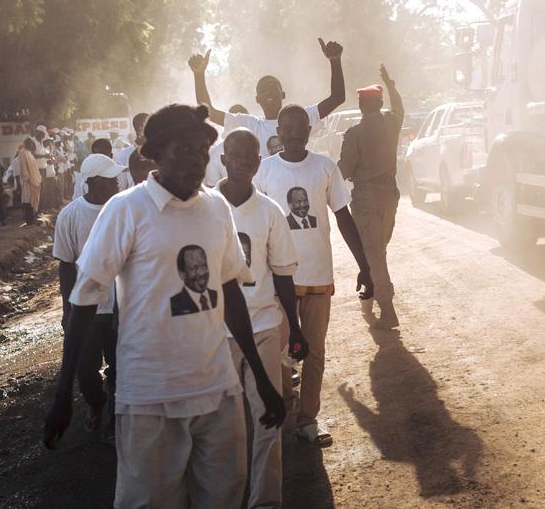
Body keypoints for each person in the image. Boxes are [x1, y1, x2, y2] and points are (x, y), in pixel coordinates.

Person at [44, 104, 286, 508]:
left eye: (202, 152)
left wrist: (262, 380)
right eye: (184, 151)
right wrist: (63, 391)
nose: (195, 161)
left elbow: (229, 295)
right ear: (156, 153)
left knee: (224, 499)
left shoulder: (215, 208)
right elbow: (83, 304)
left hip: (218, 394)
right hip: (149, 400)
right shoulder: (125, 211)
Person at [253, 104, 374, 448]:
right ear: (278, 131)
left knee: (315, 352)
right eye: (286, 129)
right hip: (279, 280)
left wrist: (364, 266)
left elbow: (343, 217)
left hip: (318, 275)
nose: (293, 135)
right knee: (279, 353)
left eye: (300, 128)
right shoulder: (264, 172)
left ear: (310, 130)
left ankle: (307, 420)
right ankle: (282, 414)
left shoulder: (325, 167)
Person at [216, 128, 310, 507]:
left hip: (264, 329)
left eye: (248, 155)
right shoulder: (203, 207)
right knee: (224, 427)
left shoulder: (270, 212)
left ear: (258, 162)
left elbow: (284, 274)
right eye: (233, 154)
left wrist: (295, 327)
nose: (240, 161)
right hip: (216, 333)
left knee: (267, 421)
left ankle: (265, 502)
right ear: (223, 159)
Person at [52, 153, 126, 441]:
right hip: (87, 311)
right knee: (85, 372)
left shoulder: (123, 211)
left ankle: (114, 426)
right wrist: (67, 312)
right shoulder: (70, 215)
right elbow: (66, 266)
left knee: (121, 370)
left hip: (121, 308)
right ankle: (97, 403)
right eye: (111, 179)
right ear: (93, 182)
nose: (118, 183)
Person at [189, 37, 347, 157]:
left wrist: (335, 61)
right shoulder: (250, 124)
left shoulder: (300, 117)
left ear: (283, 94)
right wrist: (199, 75)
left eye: (273, 88)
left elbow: (337, 98)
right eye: (264, 90)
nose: (269, 92)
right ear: (257, 99)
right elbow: (209, 112)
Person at [338, 66, 405, 328]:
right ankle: (372, 284)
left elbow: (345, 168)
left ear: (361, 105)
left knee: (373, 251)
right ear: (379, 103)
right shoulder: (392, 124)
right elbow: (399, 108)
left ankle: (387, 308)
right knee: (379, 248)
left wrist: (324, 176)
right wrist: (391, 84)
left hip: (366, 198)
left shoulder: (354, 134)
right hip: (390, 195)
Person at [18, 138, 41, 224]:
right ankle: (29, 219)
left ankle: (32, 217)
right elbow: (23, 166)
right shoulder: (22, 152)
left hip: (33, 180)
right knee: (28, 199)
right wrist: (27, 178)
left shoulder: (29, 153)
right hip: (28, 181)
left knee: (32, 199)